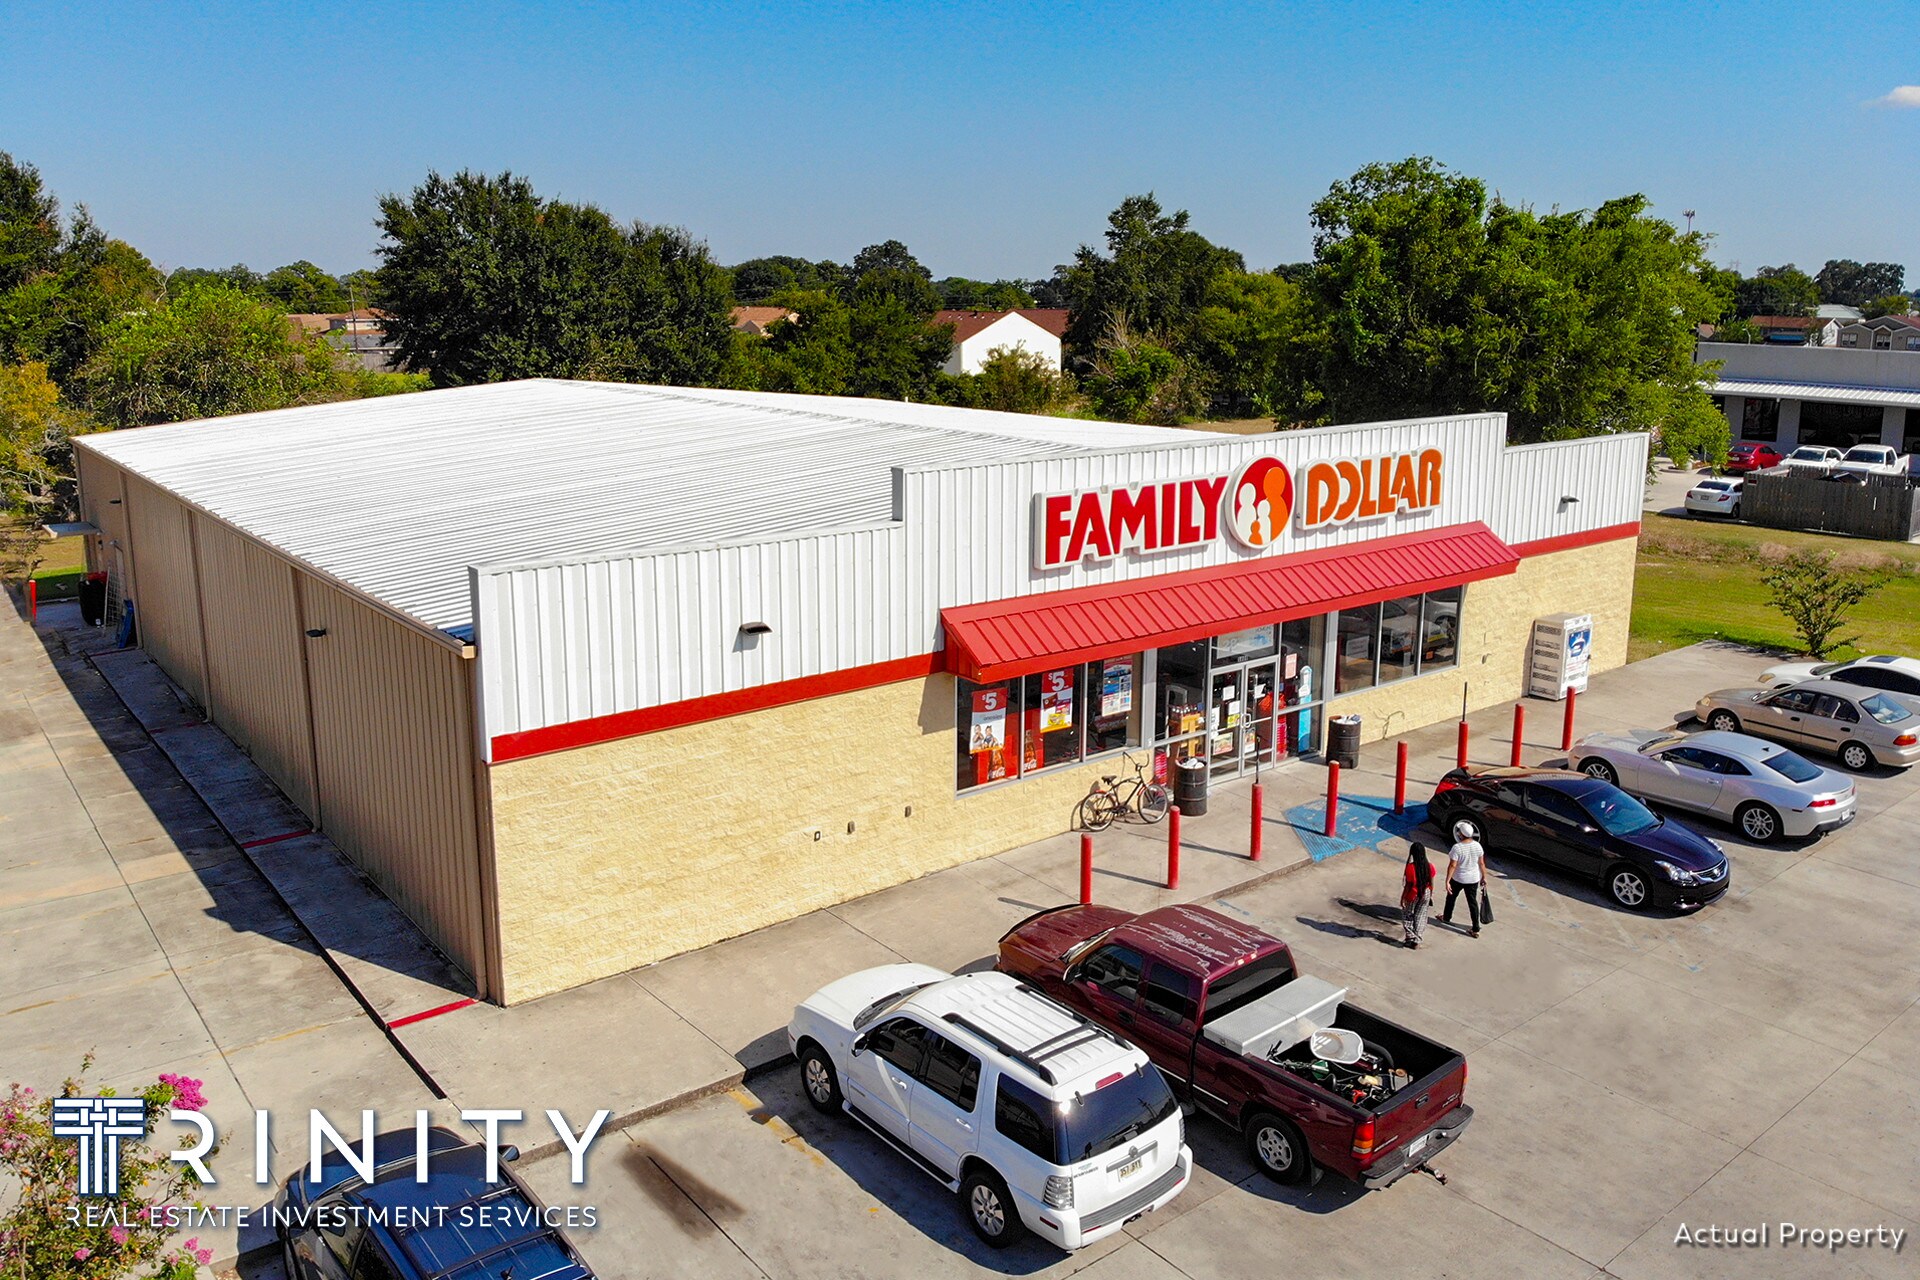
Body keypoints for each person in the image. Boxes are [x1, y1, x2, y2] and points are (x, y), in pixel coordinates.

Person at [1443, 819, 1486, 937]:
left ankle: (1446, 917)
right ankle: (1475, 928)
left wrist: (1447, 880)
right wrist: (1484, 877)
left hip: (1458, 878)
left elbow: (1453, 865)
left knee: (1451, 898)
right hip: (1473, 879)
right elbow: (1481, 863)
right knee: (1472, 903)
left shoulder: (1457, 848)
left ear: (1461, 834)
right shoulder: (1477, 846)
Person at [1401, 843, 1434, 948]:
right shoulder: (1430, 866)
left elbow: (1408, 885)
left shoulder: (1410, 868)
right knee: (1421, 915)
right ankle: (1417, 939)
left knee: (1408, 914)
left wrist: (1403, 898)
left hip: (1413, 893)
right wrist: (1430, 894)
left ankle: (1410, 936)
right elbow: (1431, 882)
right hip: (1426, 892)